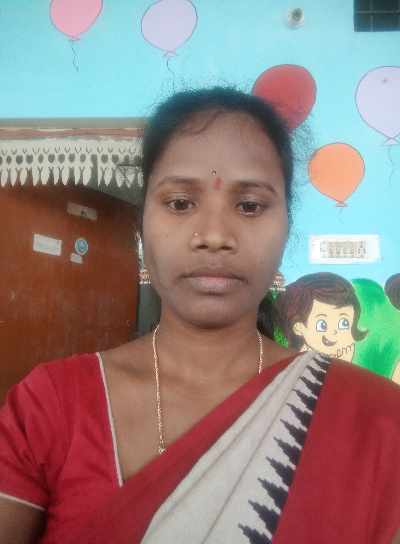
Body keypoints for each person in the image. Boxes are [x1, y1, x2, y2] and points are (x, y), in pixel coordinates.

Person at [0, 87, 399, 544]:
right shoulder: (51, 405)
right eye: (179, 203)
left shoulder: (378, 421)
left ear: (287, 225)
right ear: (141, 223)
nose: (213, 235)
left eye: (249, 206)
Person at [275, 272, 368, 362]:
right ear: (299, 327)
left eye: (344, 323)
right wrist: (342, 365)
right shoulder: (297, 362)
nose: (334, 332)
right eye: (322, 325)